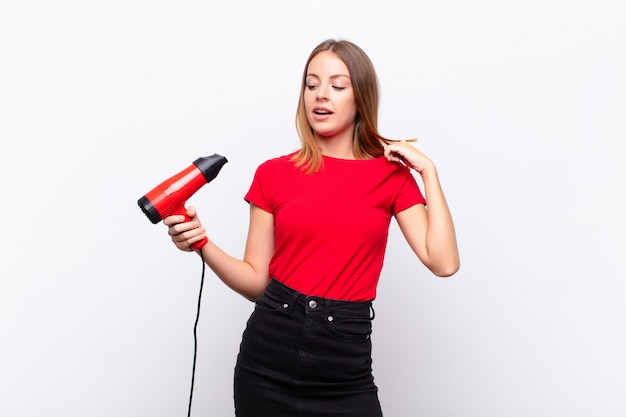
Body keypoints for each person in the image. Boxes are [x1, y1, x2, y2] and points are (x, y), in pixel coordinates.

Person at [164, 38, 460, 417]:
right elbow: (256, 282)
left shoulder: (392, 177)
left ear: (360, 98)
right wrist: (201, 242)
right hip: (267, 358)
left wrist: (428, 172)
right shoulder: (273, 174)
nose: (321, 95)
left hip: (345, 366)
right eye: (311, 83)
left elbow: (444, 262)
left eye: (338, 85)